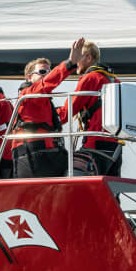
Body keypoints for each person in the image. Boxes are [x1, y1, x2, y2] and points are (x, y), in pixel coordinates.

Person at [12, 38, 85, 178]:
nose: (46, 75)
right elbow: (46, 84)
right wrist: (70, 64)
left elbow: (63, 114)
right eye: (42, 72)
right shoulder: (27, 94)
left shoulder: (44, 102)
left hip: (50, 156)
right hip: (34, 158)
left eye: (49, 72)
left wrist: (86, 92)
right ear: (29, 77)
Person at [56, 41, 122, 176]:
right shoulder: (115, 81)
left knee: (67, 177)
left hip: (95, 145)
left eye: (77, 57)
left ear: (88, 58)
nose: (75, 62)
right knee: (110, 195)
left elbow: (66, 113)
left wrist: (47, 115)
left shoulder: (90, 78)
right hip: (115, 149)